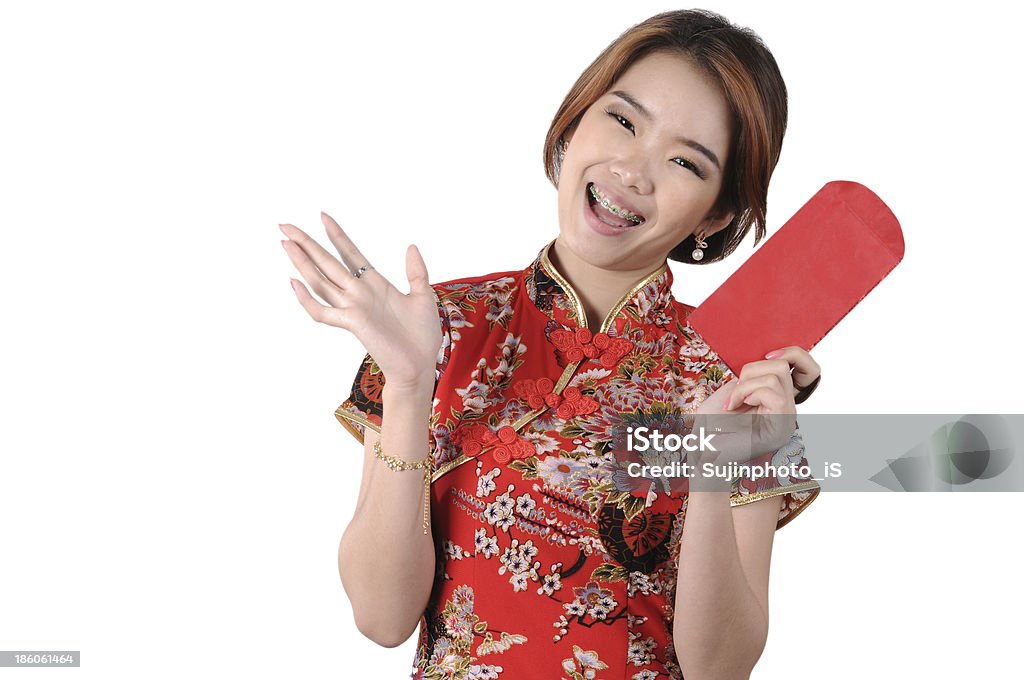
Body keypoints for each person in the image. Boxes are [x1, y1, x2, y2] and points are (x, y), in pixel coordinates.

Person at [281, 9, 822, 679]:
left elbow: (723, 668)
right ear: (577, 119)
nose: (633, 170)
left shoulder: (734, 380)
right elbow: (381, 616)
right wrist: (410, 388)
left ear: (715, 211)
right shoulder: (436, 327)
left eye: (686, 160)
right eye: (623, 120)